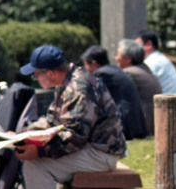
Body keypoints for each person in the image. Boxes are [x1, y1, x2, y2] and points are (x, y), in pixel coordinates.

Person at [14, 45, 126, 189]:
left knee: (35, 166)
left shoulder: (78, 89)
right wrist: (20, 136)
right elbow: (52, 121)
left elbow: (75, 137)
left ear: (51, 74)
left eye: (35, 75)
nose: (35, 79)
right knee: (35, 161)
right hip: (90, 148)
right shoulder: (67, 81)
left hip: (100, 154)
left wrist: (39, 151)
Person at [82, 45, 147, 140]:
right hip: (135, 123)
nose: (86, 69)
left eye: (86, 66)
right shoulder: (113, 69)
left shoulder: (101, 74)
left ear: (93, 63)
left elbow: (90, 99)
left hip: (126, 126)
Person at [115, 39, 161, 137]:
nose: (116, 58)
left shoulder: (128, 73)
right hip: (154, 123)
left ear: (128, 59)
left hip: (144, 126)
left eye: (118, 55)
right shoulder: (144, 69)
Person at [134, 29, 176, 95]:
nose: (134, 50)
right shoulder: (159, 58)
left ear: (148, 45)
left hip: (169, 103)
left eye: (137, 46)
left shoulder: (153, 62)